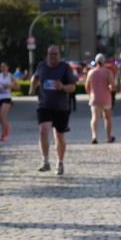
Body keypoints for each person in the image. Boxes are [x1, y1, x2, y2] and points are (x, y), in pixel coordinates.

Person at [29, 44, 77, 175]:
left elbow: (73, 87)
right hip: (44, 105)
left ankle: (60, 162)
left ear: (59, 55)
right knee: (43, 130)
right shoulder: (42, 66)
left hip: (61, 107)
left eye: (55, 54)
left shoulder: (65, 68)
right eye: (51, 54)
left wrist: (62, 87)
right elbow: (35, 77)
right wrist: (32, 88)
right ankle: (45, 161)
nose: (53, 56)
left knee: (59, 136)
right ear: (47, 55)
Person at [85, 52, 116, 144]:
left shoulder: (91, 72)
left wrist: (90, 94)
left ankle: (94, 136)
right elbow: (113, 86)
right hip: (106, 98)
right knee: (107, 118)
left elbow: (87, 86)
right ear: (104, 61)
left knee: (94, 118)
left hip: (94, 98)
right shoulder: (108, 72)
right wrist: (110, 88)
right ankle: (109, 137)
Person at [0, 61, 19, 142]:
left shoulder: (10, 76)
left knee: (3, 116)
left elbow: (18, 87)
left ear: (8, 67)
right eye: (1, 66)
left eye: (4, 66)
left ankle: (4, 135)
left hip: (7, 98)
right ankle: (7, 126)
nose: (2, 68)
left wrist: (9, 85)